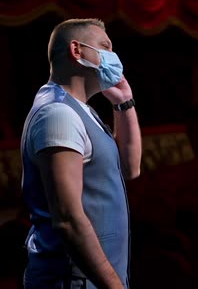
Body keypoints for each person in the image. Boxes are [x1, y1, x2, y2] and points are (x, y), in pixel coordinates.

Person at [20, 18, 142, 289]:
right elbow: (68, 221)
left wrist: (124, 102)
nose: (113, 57)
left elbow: (129, 169)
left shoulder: (80, 109)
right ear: (77, 51)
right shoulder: (58, 114)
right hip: (73, 280)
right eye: (105, 47)